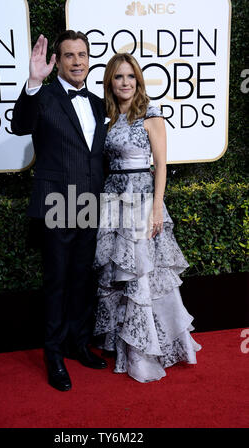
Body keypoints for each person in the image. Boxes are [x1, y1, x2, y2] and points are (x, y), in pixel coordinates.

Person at [93, 53, 202, 383]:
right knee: (116, 273)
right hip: (113, 200)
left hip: (141, 200)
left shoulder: (150, 115)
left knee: (140, 273)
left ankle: (144, 350)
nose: (125, 83)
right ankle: (117, 340)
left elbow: (161, 166)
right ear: (110, 82)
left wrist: (157, 207)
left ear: (138, 81)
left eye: (130, 77)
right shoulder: (108, 117)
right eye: (118, 77)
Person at [11, 31, 107, 392]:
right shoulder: (45, 96)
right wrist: (33, 82)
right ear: (59, 62)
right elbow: (20, 125)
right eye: (69, 56)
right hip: (56, 201)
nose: (78, 61)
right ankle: (52, 354)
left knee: (82, 278)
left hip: (89, 203)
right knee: (56, 281)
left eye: (82, 54)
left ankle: (78, 343)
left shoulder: (98, 103)